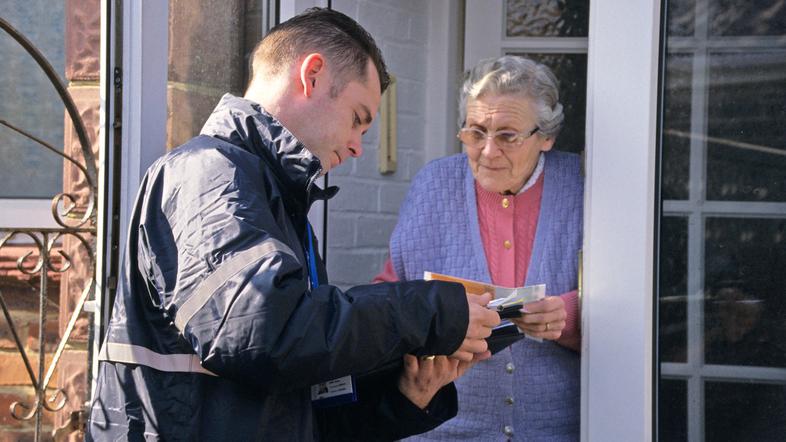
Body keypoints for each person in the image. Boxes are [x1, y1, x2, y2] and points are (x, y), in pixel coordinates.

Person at [86, 8, 500, 441]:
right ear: (313, 75)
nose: (357, 147)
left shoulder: (273, 199)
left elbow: (301, 403)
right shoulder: (209, 174)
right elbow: (262, 333)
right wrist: (431, 312)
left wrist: (407, 394)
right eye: (357, 119)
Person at [374, 55, 583, 440]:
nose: (488, 151)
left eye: (507, 136)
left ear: (546, 137)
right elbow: (388, 293)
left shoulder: (582, 186)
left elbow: (636, 305)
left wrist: (568, 314)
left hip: (555, 424)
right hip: (443, 424)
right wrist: (424, 322)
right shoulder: (434, 184)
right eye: (476, 132)